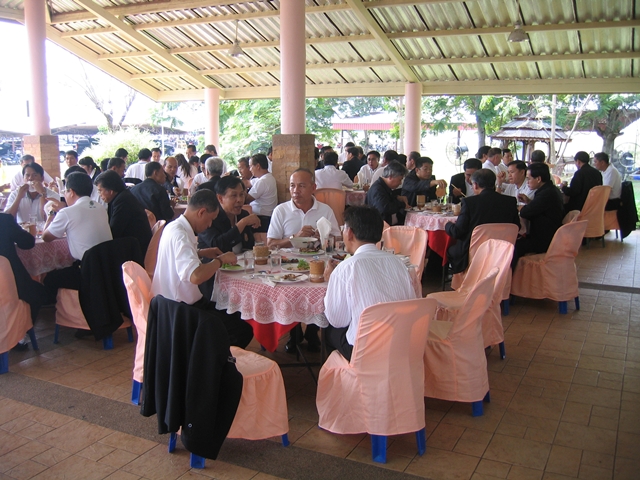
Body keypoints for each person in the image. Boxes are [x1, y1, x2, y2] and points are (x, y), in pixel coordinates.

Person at [151, 189, 253, 348]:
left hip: (168, 303)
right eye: (210, 219)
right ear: (202, 212)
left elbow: (176, 257)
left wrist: (200, 252)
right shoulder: (180, 234)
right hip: (180, 310)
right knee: (241, 329)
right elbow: (195, 276)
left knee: (233, 313)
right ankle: (213, 360)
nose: (210, 225)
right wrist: (220, 260)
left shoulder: (174, 226)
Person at [323, 206, 415, 361]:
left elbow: (337, 320)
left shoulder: (346, 268)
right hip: (400, 343)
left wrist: (331, 280)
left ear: (350, 233)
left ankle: (345, 372)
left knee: (329, 330)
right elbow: (411, 302)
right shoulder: (399, 264)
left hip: (364, 351)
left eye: (343, 228)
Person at [42, 172, 113, 294]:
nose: (65, 195)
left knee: (48, 278)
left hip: (86, 271)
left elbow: (45, 237)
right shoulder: (100, 208)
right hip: (107, 267)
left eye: (65, 191)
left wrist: (52, 213)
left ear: (72, 192)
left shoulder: (67, 213)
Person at [444, 169, 520, 274]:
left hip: (474, 253)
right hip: (502, 252)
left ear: (475, 185)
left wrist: (447, 225)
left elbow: (458, 232)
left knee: (450, 249)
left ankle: (463, 280)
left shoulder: (469, 203)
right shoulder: (510, 201)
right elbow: (516, 227)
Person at [0, 213, 54, 342]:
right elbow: (27, 243)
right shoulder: (4, 220)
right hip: (9, 282)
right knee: (39, 293)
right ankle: (20, 335)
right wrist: (32, 232)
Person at [267, 168, 341, 249]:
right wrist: (295, 237)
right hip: (287, 257)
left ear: (313, 188)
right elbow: (271, 244)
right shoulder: (281, 210)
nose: (296, 190)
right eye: (292, 186)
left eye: (301, 186)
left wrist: (323, 237)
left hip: (317, 256)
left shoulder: (325, 210)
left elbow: (338, 240)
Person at [514, 163, 564, 265]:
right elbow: (539, 208)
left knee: (513, 246)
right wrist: (528, 201)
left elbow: (525, 213)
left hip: (544, 240)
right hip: (550, 235)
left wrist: (521, 207)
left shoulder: (546, 194)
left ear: (538, 179)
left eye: (529, 178)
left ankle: (514, 273)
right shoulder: (551, 189)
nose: (527, 182)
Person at [95, 170, 153, 255]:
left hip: (137, 250)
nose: (99, 194)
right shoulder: (122, 196)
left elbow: (114, 232)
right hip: (133, 245)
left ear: (110, 191)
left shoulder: (123, 201)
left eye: (100, 191)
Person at [199, 175, 260, 254]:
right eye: (234, 195)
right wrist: (242, 223)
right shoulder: (209, 217)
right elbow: (218, 246)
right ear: (220, 198)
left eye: (241, 194)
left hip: (242, 261)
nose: (239, 200)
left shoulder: (243, 214)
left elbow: (249, 246)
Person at [365, 161, 409, 226]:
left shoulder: (383, 186)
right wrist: (402, 204)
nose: (400, 183)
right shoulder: (378, 189)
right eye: (399, 180)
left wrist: (396, 197)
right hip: (377, 226)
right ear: (390, 177)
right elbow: (384, 208)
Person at [245, 153, 277, 232]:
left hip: (262, 219)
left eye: (251, 166)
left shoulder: (263, 181)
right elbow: (247, 183)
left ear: (258, 166)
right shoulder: (267, 177)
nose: (250, 169)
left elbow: (246, 199)